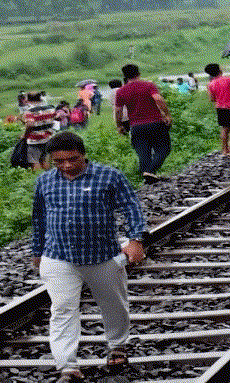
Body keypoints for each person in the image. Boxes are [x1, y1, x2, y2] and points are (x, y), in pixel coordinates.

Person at [31, 131, 147, 383]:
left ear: (83, 154)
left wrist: (136, 239)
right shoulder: (45, 181)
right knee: (62, 309)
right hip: (58, 256)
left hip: (102, 255)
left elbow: (131, 206)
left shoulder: (109, 176)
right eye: (59, 161)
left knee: (114, 304)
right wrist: (37, 251)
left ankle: (117, 346)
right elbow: (39, 219)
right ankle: (67, 367)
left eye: (72, 159)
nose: (67, 166)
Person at [114, 64, 172, 185]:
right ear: (138, 73)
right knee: (163, 148)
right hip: (155, 123)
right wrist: (167, 114)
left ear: (124, 76)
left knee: (143, 152)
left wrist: (119, 126)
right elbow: (158, 99)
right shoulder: (148, 85)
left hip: (136, 126)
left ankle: (148, 178)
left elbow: (118, 110)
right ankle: (150, 172)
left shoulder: (121, 91)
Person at [21, 91, 57, 171]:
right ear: (40, 98)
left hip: (35, 140)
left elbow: (30, 125)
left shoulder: (30, 111)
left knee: (35, 160)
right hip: (49, 137)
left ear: (28, 99)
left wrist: (24, 135)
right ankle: (48, 175)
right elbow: (56, 118)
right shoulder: (50, 108)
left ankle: (38, 177)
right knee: (45, 159)